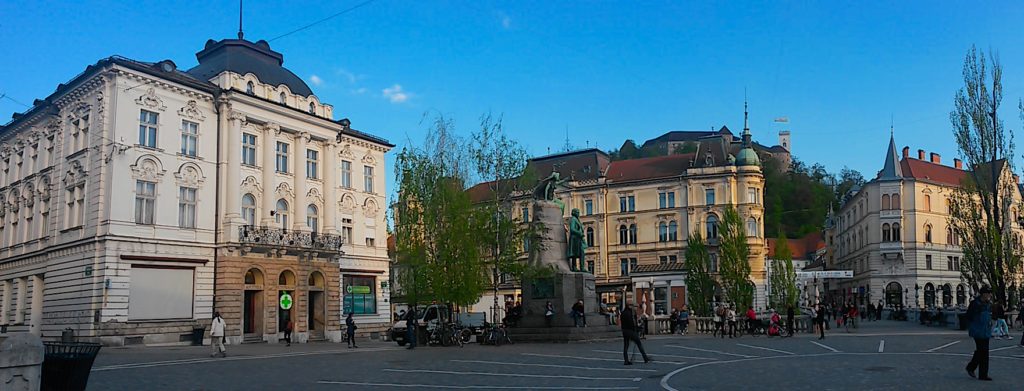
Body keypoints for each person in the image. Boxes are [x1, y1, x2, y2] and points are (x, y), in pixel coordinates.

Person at [966, 286, 993, 381]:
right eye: (988, 293)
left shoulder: (988, 304)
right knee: (983, 351)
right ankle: (980, 373)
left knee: (983, 352)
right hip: (977, 330)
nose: (990, 295)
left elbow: (989, 316)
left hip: (986, 330)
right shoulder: (975, 304)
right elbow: (968, 316)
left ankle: (975, 370)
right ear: (983, 294)